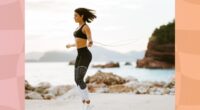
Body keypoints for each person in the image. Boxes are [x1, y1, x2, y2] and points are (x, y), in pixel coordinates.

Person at [66, 7, 96, 110]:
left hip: (85, 55)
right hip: (79, 55)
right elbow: (79, 41)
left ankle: (88, 103)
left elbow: (89, 37)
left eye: (76, 15)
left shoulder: (85, 27)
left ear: (81, 16)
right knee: (76, 80)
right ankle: (84, 101)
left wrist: (90, 42)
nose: (74, 17)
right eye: (74, 15)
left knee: (79, 79)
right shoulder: (77, 28)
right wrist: (71, 45)